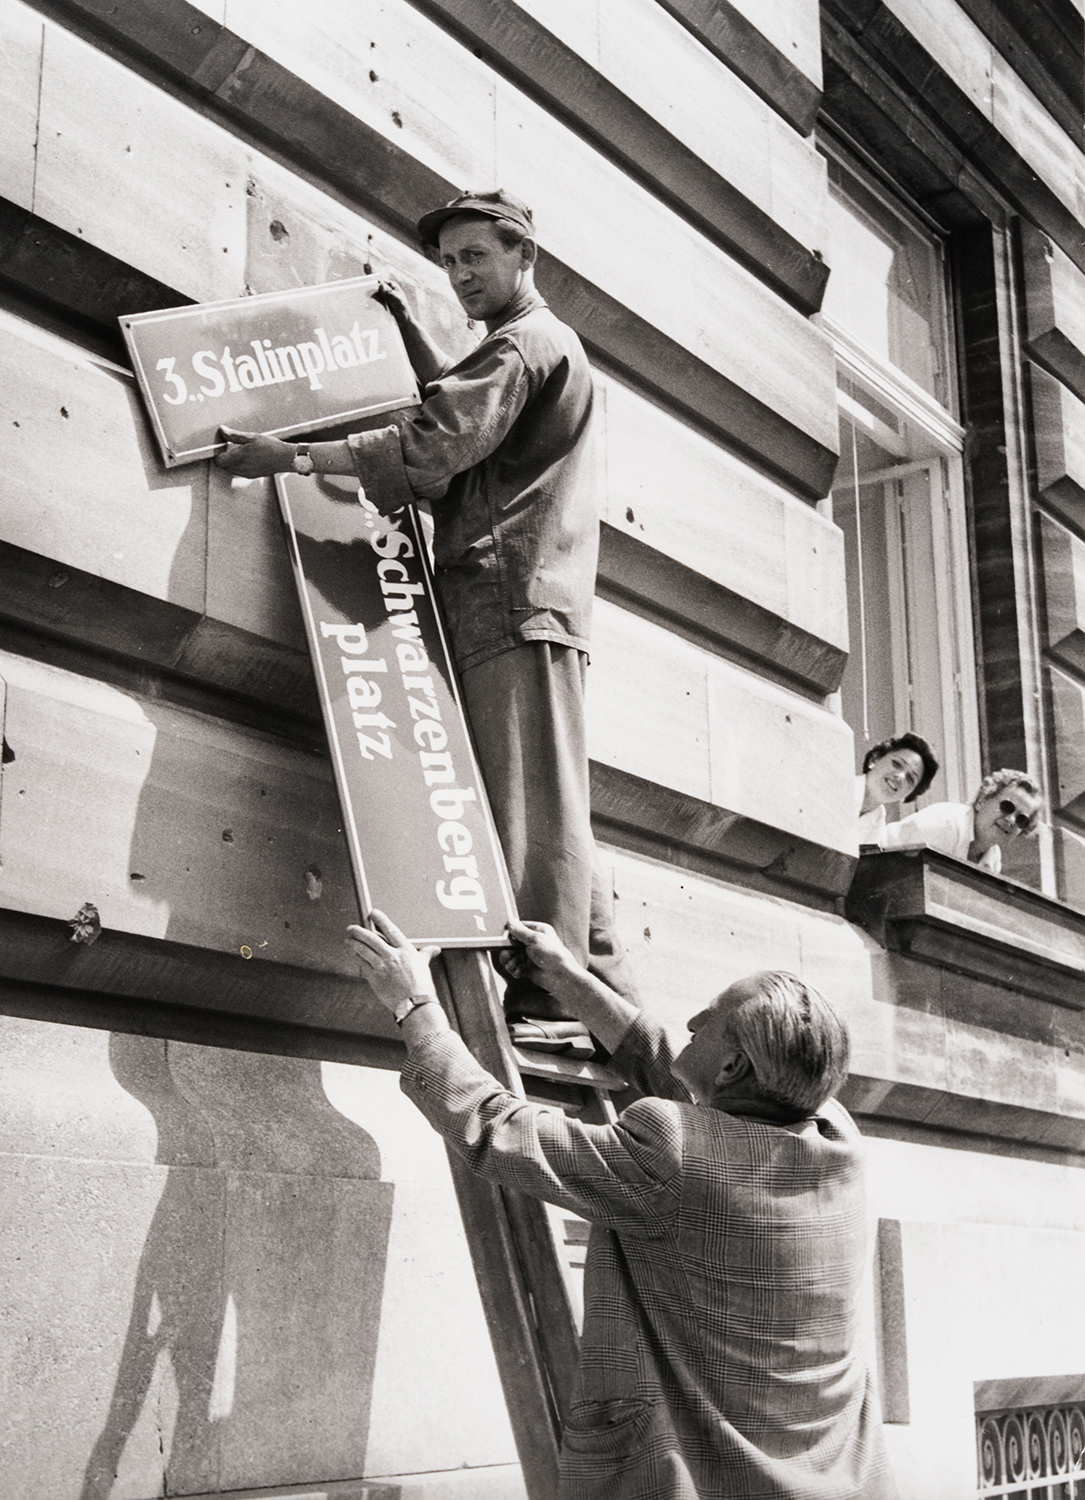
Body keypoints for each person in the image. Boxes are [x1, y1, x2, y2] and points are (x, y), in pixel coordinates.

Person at [214, 189, 634, 1050]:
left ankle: (555, 1003)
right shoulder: (520, 350)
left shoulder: (522, 345)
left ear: (524, 256)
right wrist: (409, 331)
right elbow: (468, 418)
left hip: (508, 598)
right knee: (550, 807)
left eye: (475, 256)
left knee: (527, 810)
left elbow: (431, 450)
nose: (460, 274)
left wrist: (283, 455)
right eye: (449, 262)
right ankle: (606, 994)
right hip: (519, 600)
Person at [346, 909, 897, 1500]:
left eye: (708, 1020)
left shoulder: (675, 1154)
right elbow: (687, 1077)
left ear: (736, 1064)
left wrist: (416, 1008)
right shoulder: (838, 1138)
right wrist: (569, 980)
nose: (691, 1019)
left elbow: (498, 1128)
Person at [882, 767, 1042, 873]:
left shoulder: (992, 857)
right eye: (1007, 807)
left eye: (1022, 819)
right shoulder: (945, 823)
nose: (1011, 820)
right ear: (982, 800)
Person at [856, 732, 939, 846]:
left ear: (909, 795)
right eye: (897, 764)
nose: (900, 777)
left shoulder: (878, 823)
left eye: (910, 779)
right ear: (875, 759)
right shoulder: (835, 785)